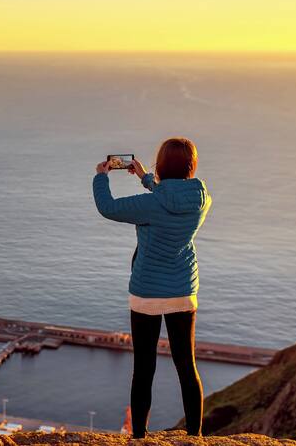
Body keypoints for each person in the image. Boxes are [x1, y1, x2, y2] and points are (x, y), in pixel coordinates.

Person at [92, 137, 212, 439]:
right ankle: (195, 436)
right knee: (187, 367)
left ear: (162, 165)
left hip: (146, 293)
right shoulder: (201, 199)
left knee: (143, 369)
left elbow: (108, 207)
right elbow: (171, 199)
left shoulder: (149, 204)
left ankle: (140, 437)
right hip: (184, 291)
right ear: (191, 166)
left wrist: (101, 176)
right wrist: (146, 178)